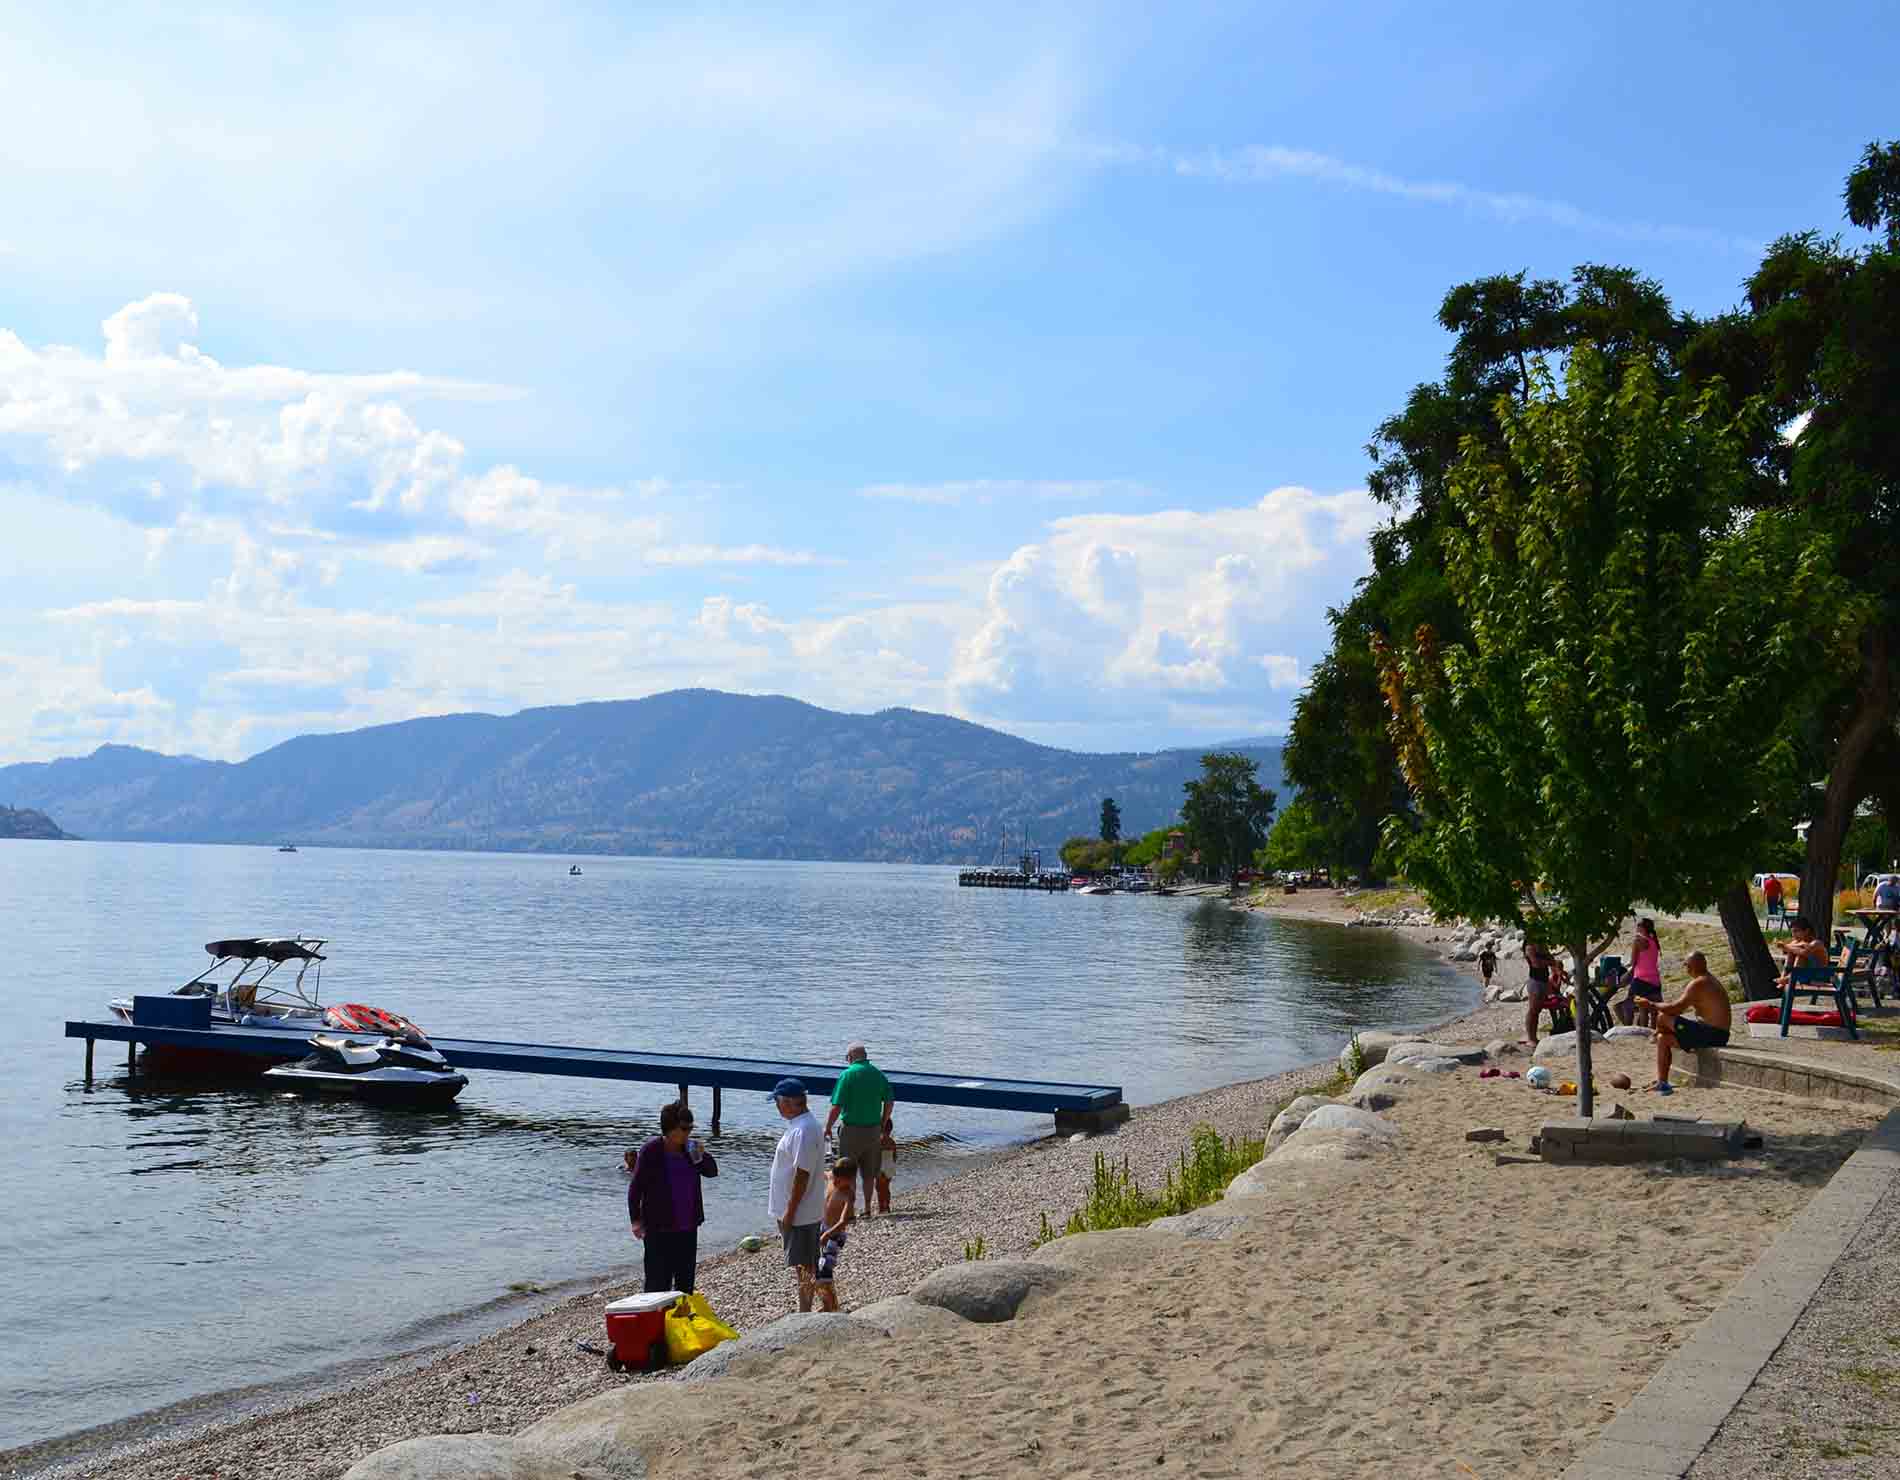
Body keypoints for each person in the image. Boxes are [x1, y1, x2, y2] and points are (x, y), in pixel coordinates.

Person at [627, 1101, 718, 1294]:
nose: (688, 1133)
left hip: (688, 1227)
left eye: (690, 1128)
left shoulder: (691, 1149)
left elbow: (711, 1172)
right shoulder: (651, 1151)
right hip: (658, 1228)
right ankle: (655, 1323)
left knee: (685, 1285)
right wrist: (635, 1220)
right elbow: (635, 1188)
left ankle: (682, 1322)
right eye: (684, 1129)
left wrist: (702, 1155)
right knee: (657, 1284)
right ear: (670, 1130)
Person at [767, 1076, 826, 1313]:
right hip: (798, 1210)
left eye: (777, 1102)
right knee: (803, 1263)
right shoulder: (801, 1126)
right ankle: (810, 1307)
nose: (776, 1107)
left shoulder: (805, 1130)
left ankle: (805, 1311)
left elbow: (802, 1174)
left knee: (804, 1264)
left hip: (800, 1213)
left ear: (789, 1103)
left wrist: (790, 1211)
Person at [823, 1042, 893, 1219]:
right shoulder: (878, 1074)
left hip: (851, 1131)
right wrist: (883, 1122)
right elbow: (890, 1101)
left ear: (850, 1057)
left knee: (848, 1172)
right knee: (869, 1174)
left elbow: (836, 1106)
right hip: (873, 1131)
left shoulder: (847, 1075)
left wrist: (828, 1127)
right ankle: (868, 1208)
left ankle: (850, 1211)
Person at [1648, 951, 1732, 1094]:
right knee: (1664, 1040)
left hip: (1711, 1034)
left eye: (1686, 964)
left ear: (1691, 966)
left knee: (1662, 1017)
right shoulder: (1708, 979)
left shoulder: (1699, 983)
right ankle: (1662, 1082)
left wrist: (1650, 1004)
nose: (1685, 967)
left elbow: (1675, 1009)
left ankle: (1657, 1033)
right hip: (1716, 1034)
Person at [814, 1156, 857, 1312]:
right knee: (816, 1269)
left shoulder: (849, 1195)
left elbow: (843, 1221)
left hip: (835, 1235)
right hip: (823, 1227)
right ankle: (828, 1304)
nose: (836, 1182)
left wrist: (827, 1235)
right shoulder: (833, 1177)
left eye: (840, 1180)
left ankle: (833, 1307)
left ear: (851, 1179)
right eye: (835, 1178)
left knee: (824, 1270)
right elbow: (821, 1173)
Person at [1618, 918, 1663, 1029]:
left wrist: (1623, 974)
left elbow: (1633, 963)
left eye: (1638, 926)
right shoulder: (1653, 941)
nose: (1636, 929)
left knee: (1627, 1007)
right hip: (1655, 981)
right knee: (1649, 1010)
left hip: (1641, 980)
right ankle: (1649, 1031)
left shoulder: (1638, 941)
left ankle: (1629, 1030)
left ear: (1642, 928)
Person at [1523, 941, 1563, 1046]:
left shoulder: (1541, 945)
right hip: (1535, 981)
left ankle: (1533, 1038)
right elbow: (1536, 963)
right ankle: (1531, 1038)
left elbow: (1551, 960)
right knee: (1533, 1011)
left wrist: (1548, 961)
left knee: (1537, 1010)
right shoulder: (1529, 946)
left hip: (1544, 981)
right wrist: (1548, 961)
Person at [875, 1114, 897, 1214]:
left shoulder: (879, 1140)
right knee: (886, 1187)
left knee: (879, 1188)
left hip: (880, 1166)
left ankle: (881, 1208)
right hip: (890, 1166)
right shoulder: (892, 1141)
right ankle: (887, 1206)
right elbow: (895, 1156)